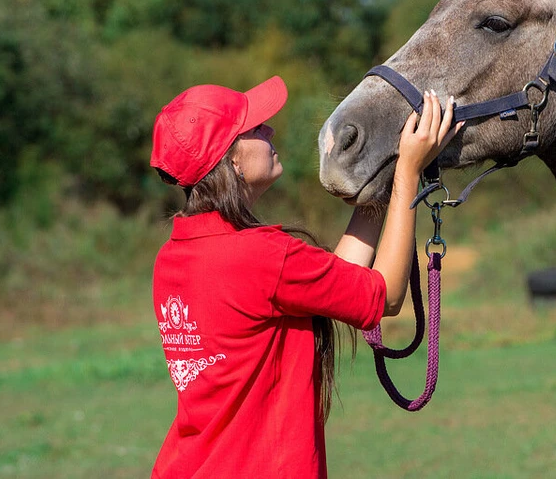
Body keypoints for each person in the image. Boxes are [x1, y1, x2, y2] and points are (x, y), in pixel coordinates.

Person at [147, 75, 460, 478]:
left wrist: (381, 178)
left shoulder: (173, 256)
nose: (270, 129)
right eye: (256, 128)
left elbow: (343, 281)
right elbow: (385, 297)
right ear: (233, 160)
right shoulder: (261, 257)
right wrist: (408, 174)